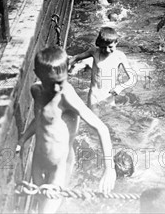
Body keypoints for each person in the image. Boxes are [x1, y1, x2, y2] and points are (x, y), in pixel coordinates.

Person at [18, 46, 116, 213]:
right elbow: (41, 118)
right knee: (39, 201)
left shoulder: (66, 96)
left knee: (46, 211)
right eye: (52, 83)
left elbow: (101, 128)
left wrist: (109, 168)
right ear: (38, 74)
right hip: (38, 160)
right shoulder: (36, 90)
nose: (57, 88)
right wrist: (23, 138)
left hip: (60, 165)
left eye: (61, 82)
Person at [69, 27, 136, 106]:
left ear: (116, 42)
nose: (107, 50)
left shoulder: (120, 56)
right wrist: (64, 68)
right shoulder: (94, 51)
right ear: (99, 44)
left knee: (108, 117)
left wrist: (120, 87)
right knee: (91, 117)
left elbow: (133, 78)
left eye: (110, 47)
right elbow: (76, 58)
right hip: (94, 95)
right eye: (103, 47)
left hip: (109, 96)